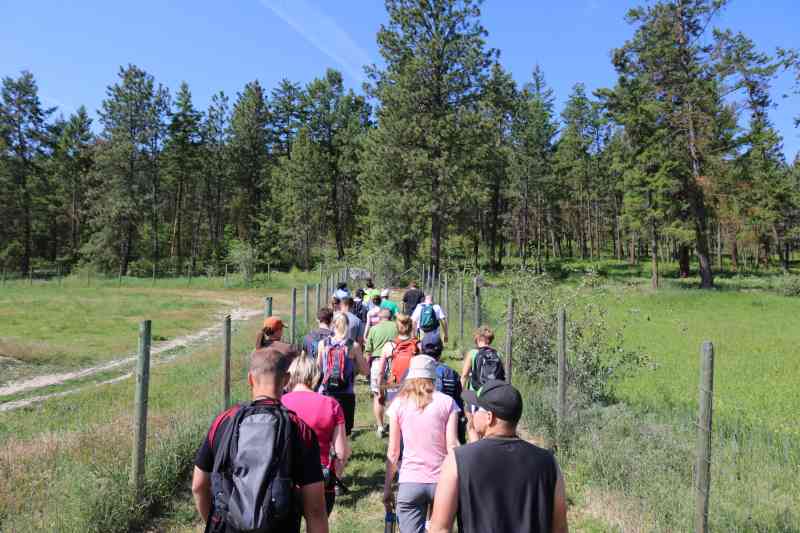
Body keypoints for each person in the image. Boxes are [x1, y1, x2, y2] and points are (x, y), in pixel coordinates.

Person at [191, 348, 329, 533]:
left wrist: (215, 521)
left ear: (250, 379)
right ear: (287, 380)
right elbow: (315, 509)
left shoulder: (224, 421)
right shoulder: (300, 429)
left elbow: (199, 486)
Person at [429, 381, 568, 533]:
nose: (472, 413)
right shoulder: (548, 463)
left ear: (490, 417)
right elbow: (560, 528)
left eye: (476, 409)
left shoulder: (458, 460)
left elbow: (440, 528)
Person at [383, 355, 460, 533]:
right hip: (442, 482)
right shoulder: (448, 403)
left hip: (410, 480)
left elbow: (394, 451)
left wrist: (388, 487)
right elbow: (452, 446)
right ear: (433, 376)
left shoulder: (399, 404)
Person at [282, 355, 350, 515]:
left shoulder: (280, 403)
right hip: (321, 479)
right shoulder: (331, 404)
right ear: (315, 376)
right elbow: (341, 453)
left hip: (288, 480)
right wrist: (334, 479)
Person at [317, 312, 368, 436]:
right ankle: (340, 452)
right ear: (348, 325)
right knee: (343, 430)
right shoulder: (353, 346)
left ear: (333, 324)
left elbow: (318, 367)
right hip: (346, 392)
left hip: (326, 391)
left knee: (327, 427)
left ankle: (329, 451)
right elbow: (365, 370)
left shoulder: (323, 344)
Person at [461, 326, 505, 442]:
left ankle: (476, 453)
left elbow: (464, 375)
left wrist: (460, 393)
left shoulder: (473, 353)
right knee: (489, 427)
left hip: (475, 395)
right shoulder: (498, 355)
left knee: (472, 427)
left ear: (478, 338)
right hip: (493, 395)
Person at [420, 331, 466, 443]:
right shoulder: (451, 374)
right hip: (446, 428)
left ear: (421, 351)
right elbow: (458, 406)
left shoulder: (413, 373)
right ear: (440, 352)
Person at [363, 308, 398, 437]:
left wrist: (367, 368)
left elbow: (368, 352)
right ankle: (394, 425)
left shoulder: (374, 329)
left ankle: (380, 426)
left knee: (378, 395)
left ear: (379, 317)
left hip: (378, 364)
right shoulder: (397, 327)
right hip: (395, 363)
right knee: (394, 396)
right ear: (391, 317)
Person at [377, 314, 420, 406]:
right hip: (413, 384)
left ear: (397, 328)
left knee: (395, 416)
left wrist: (380, 391)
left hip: (394, 385)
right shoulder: (417, 345)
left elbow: (381, 372)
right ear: (410, 328)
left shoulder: (389, 346)